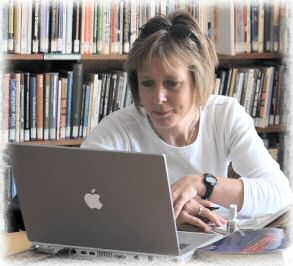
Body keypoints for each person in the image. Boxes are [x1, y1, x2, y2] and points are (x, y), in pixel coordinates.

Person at [81, 10, 293, 232]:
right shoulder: (119, 128)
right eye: (147, 83)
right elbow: (77, 194)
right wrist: (163, 212)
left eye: (172, 83)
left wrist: (203, 184)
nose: (158, 98)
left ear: (198, 81)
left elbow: (279, 194)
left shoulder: (225, 115)